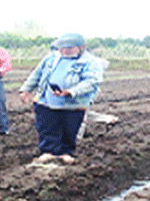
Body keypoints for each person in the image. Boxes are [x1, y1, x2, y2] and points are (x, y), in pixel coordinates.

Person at [18, 33, 104, 164]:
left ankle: (66, 152)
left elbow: (91, 81)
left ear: (81, 47)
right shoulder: (51, 58)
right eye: (61, 48)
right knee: (47, 127)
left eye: (68, 48)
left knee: (69, 128)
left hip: (74, 103)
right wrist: (25, 89)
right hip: (46, 100)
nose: (64, 51)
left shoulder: (91, 62)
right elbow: (37, 73)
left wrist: (71, 91)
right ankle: (48, 151)